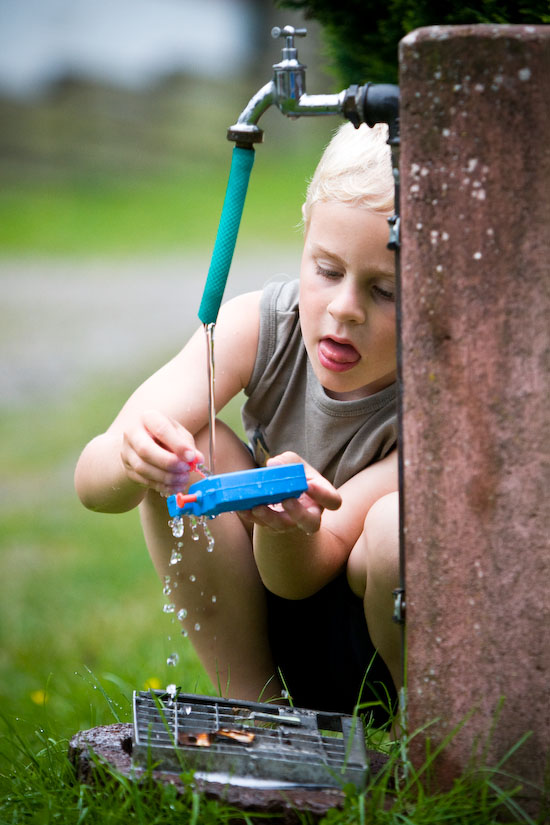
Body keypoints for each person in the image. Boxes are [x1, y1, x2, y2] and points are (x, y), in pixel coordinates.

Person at [74, 121, 401, 723]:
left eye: (385, 291)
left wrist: (282, 529)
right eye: (327, 270)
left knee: (393, 531)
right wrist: (131, 454)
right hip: (267, 632)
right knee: (188, 445)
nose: (344, 308)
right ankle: (256, 715)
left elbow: (303, 578)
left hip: (383, 652)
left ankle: (430, 748)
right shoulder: (259, 325)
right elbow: (91, 483)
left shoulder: (436, 396)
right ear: (305, 237)